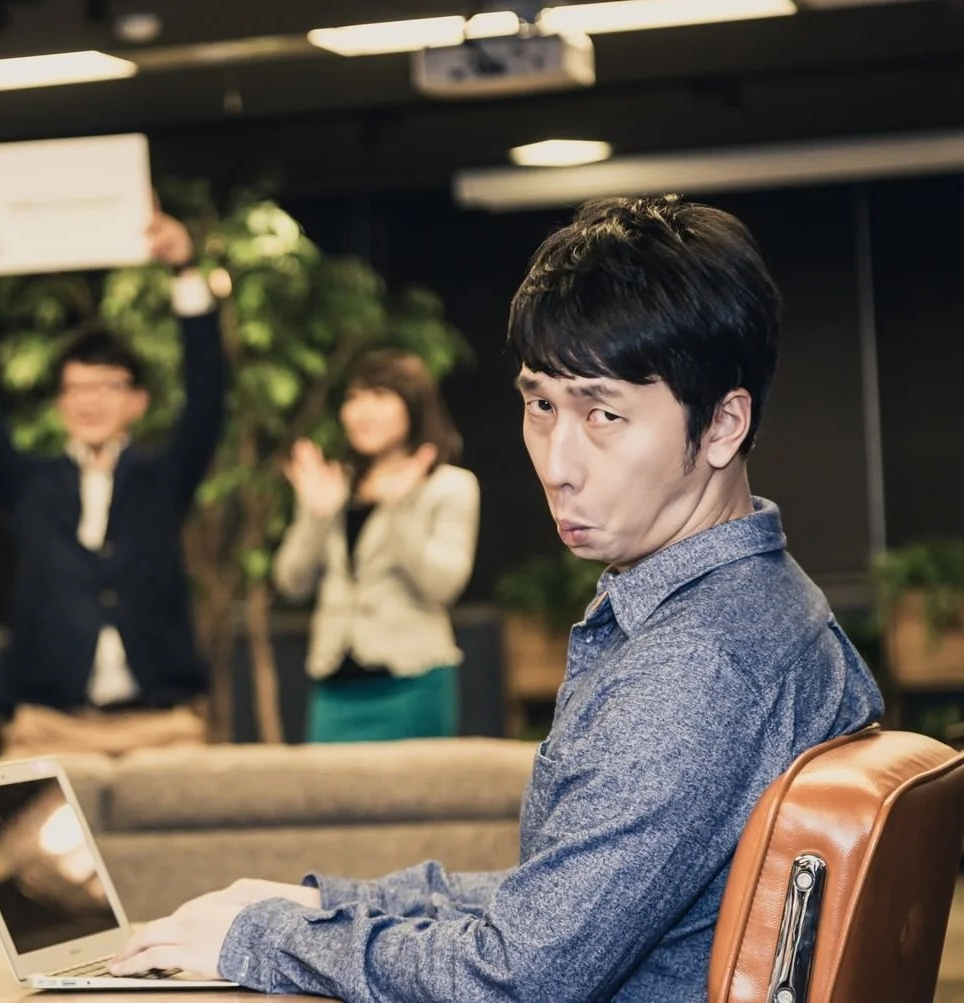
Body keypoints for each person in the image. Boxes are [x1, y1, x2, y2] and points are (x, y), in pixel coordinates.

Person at [108, 195, 884, 1001]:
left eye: (604, 413)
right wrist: (322, 906)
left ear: (723, 424)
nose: (557, 464)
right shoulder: (767, 604)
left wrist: (264, 939)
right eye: (541, 404)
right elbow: (549, 913)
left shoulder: (695, 667)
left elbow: (516, 976)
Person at [0, 210, 225, 757]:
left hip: (159, 724)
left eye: (108, 386)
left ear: (138, 401)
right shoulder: (28, 483)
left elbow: (208, 396)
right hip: (50, 725)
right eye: (76, 389)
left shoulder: (163, 479)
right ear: (59, 403)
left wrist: (185, 272)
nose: (90, 401)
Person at [273, 350, 478, 742]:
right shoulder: (333, 483)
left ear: (413, 405)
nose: (361, 411)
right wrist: (315, 516)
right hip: (334, 687)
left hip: (413, 682)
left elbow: (445, 585)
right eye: (354, 398)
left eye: (380, 396)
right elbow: (291, 583)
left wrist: (399, 512)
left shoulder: (450, 486)